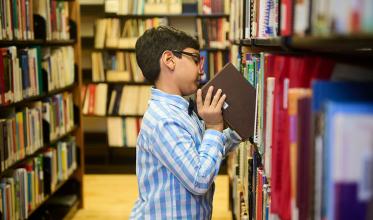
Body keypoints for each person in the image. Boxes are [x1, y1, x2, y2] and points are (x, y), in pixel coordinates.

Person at [130, 26, 241, 219]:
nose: (202, 68)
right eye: (196, 59)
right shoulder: (164, 120)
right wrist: (214, 127)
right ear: (169, 60)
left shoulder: (179, 111)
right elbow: (199, 180)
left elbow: (203, 153)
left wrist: (237, 132)